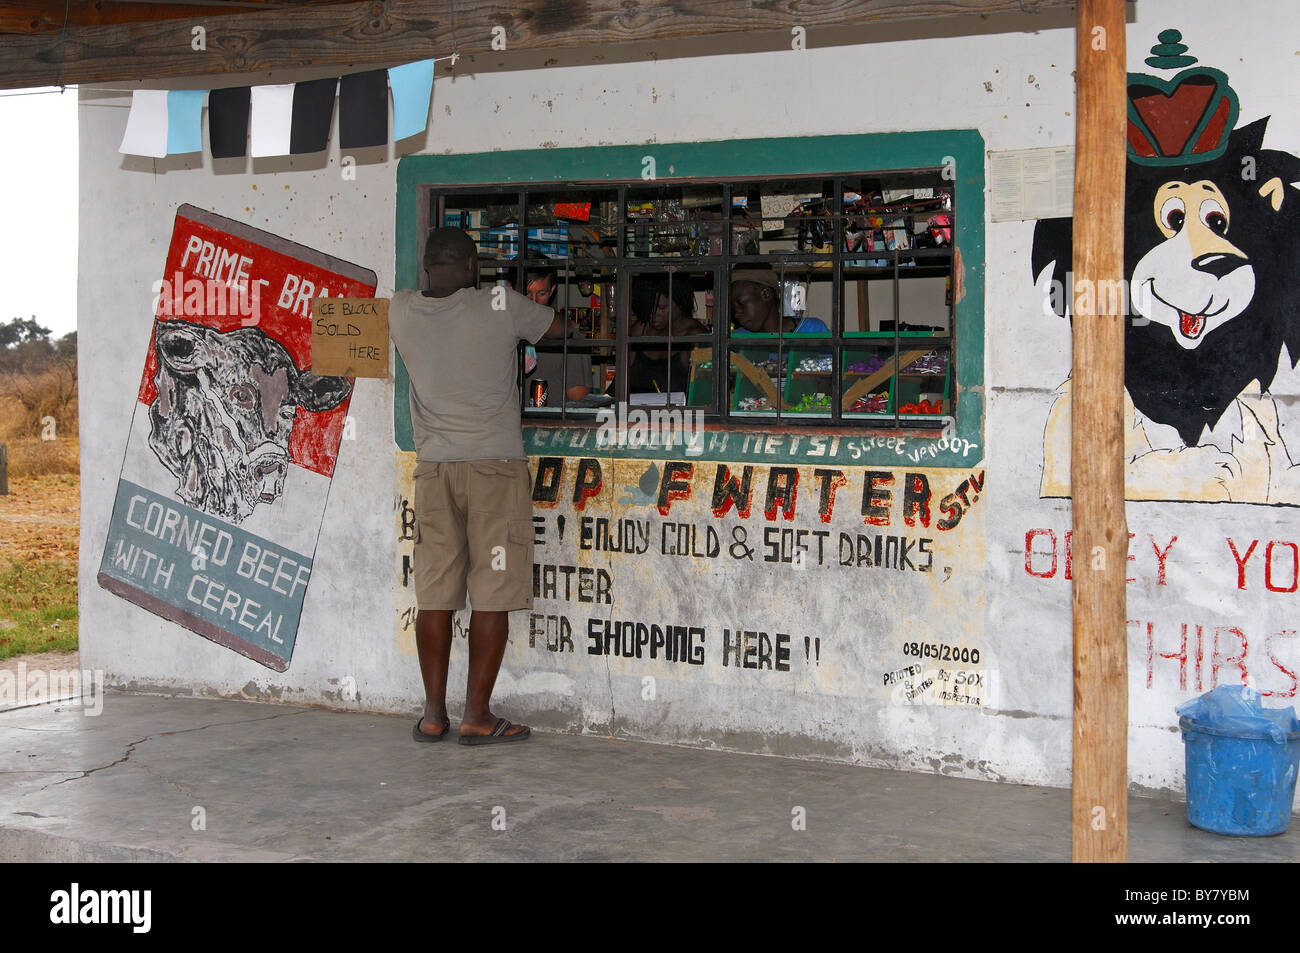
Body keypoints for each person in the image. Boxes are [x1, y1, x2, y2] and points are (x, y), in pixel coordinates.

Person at [389, 228, 563, 746]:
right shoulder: (497, 301)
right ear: (470, 266)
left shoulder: (399, 309)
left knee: (435, 596)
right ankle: (478, 716)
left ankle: (433, 715)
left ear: (426, 267)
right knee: (492, 594)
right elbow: (555, 329)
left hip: (435, 470)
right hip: (494, 468)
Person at [614, 276, 708, 395]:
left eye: (661, 308)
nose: (653, 315)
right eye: (649, 308)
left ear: (679, 303)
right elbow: (616, 387)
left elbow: (703, 394)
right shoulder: (641, 329)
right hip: (635, 412)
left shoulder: (695, 336)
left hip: (675, 413)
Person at [524, 272, 592, 402]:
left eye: (541, 293)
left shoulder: (571, 339)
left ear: (552, 290)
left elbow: (579, 403)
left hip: (549, 422)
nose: (533, 301)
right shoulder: (502, 333)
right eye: (527, 293)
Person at [730, 269, 829, 335]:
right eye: (733, 307)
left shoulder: (812, 330)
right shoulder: (737, 339)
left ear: (765, 294)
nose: (736, 314)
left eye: (741, 303)